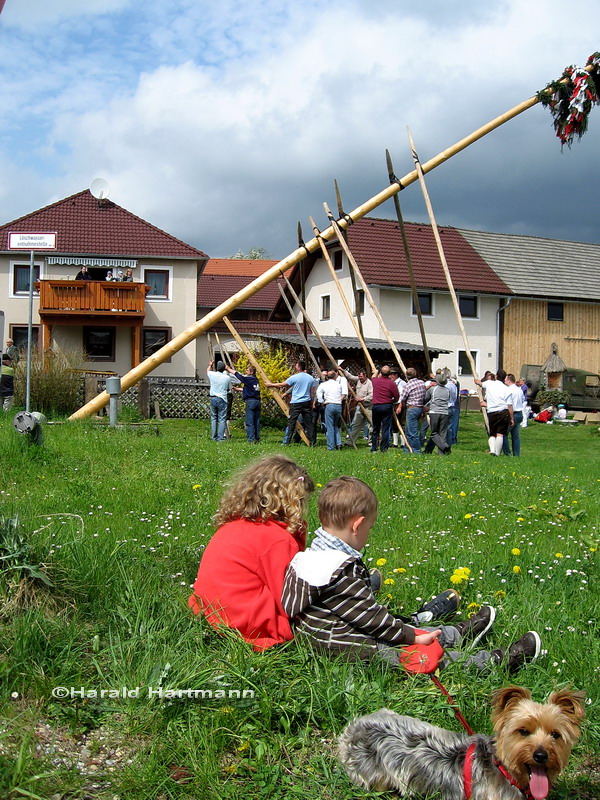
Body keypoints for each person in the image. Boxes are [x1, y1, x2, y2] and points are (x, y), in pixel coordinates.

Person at [282, 477, 540, 673]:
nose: (368, 534)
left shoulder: (304, 559)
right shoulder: (340, 569)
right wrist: (413, 636)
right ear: (358, 524)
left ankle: (456, 634)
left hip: (323, 641)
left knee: (406, 632)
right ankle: (495, 662)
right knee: (417, 654)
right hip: (351, 650)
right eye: (369, 528)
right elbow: (373, 621)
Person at [189, 456, 315, 651]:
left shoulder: (232, 527)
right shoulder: (276, 539)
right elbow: (290, 600)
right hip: (247, 625)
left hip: (211, 614)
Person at [266, 361, 316, 445]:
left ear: (299, 367)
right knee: (309, 423)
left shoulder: (295, 377)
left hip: (296, 402)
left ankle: (287, 442)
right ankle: (313, 442)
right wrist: (311, 402)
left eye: (296, 366)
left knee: (291, 422)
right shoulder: (310, 378)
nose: (295, 367)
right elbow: (312, 392)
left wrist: (270, 384)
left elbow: (282, 385)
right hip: (306, 402)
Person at [475, 369, 514, 456]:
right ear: (504, 379)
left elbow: (479, 383)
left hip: (492, 411)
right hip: (503, 412)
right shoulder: (507, 389)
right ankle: (497, 453)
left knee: (492, 433)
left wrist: (476, 380)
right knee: (500, 434)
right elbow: (510, 405)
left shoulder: (489, 383)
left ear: (496, 376)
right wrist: (511, 418)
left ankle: (492, 450)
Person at [225, 363, 261, 443]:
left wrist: (228, 369)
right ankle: (257, 438)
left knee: (250, 422)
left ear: (251, 372)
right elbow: (249, 389)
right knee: (256, 421)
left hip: (251, 401)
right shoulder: (255, 380)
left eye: (247, 370)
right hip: (257, 401)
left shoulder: (249, 379)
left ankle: (251, 439)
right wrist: (237, 389)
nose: (246, 371)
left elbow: (239, 376)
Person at [370, 365, 400, 452]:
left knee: (376, 428)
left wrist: (375, 371)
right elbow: (397, 396)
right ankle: (384, 448)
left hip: (376, 406)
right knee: (386, 428)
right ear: (389, 374)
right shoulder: (392, 383)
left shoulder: (375, 381)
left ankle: (374, 447)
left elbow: (373, 376)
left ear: (381, 373)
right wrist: (392, 400)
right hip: (387, 405)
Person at [316, 369, 348, 450]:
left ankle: (331, 446)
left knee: (329, 427)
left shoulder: (324, 384)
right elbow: (344, 393)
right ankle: (338, 442)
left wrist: (321, 401)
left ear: (327, 377)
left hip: (329, 405)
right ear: (335, 376)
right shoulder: (338, 385)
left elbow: (318, 392)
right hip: (338, 405)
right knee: (335, 425)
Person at [207, 360, 238, 441]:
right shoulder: (227, 378)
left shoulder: (212, 374)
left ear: (217, 368)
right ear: (224, 368)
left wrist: (210, 365)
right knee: (222, 419)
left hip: (213, 398)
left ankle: (214, 437)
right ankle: (220, 438)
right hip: (222, 399)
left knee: (214, 418)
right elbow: (229, 388)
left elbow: (208, 371)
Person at [397, 367, 426, 453]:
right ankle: (407, 449)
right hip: (420, 407)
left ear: (407, 375)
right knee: (409, 430)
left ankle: (417, 450)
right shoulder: (421, 383)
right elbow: (424, 394)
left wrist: (400, 406)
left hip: (412, 408)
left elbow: (403, 397)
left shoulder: (408, 385)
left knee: (412, 431)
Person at [423, 372, 451, 455]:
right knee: (442, 434)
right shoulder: (447, 390)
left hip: (434, 412)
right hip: (445, 413)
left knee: (434, 433)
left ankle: (445, 447)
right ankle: (434, 452)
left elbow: (426, 399)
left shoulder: (433, 389)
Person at [344, 368, 373, 446]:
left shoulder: (369, 383)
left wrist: (362, 399)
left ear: (365, 376)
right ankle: (350, 442)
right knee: (356, 424)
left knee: (371, 425)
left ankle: (371, 442)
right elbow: (350, 377)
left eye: (361, 377)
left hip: (368, 406)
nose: (360, 378)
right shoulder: (358, 381)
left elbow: (371, 395)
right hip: (360, 407)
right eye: (359, 377)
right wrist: (343, 371)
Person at [502, 373, 525, 456]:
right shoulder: (519, 390)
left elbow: (509, 405)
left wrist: (511, 418)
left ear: (508, 380)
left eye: (505, 380)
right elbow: (522, 400)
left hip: (513, 414)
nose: (504, 381)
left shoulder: (509, 390)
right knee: (515, 436)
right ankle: (517, 454)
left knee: (504, 433)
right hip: (519, 413)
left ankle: (507, 453)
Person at [390, 368, 406, 448]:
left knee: (401, 423)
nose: (390, 376)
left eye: (392, 374)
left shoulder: (402, 383)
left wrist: (400, 406)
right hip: (393, 404)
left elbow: (402, 396)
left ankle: (403, 443)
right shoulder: (392, 383)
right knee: (394, 424)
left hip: (400, 404)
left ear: (396, 375)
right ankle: (395, 443)